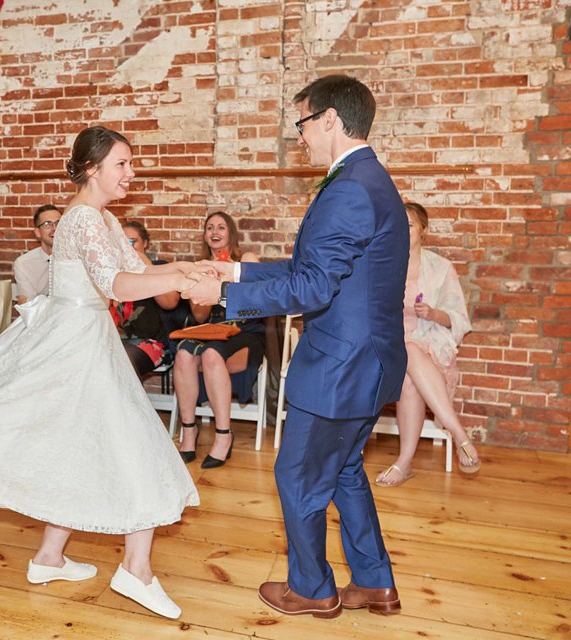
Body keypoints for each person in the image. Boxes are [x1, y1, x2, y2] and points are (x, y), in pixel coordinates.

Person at [0, 126, 202, 619]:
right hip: (75, 341)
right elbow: (118, 285)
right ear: (91, 168)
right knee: (137, 446)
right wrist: (185, 276)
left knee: (76, 443)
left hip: (87, 337)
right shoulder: (81, 219)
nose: (131, 172)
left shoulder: (103, 217)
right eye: (122, 164)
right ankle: (135, 571)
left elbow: (145, 279)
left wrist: (187, 272)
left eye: (130, 163)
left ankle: (48, 558)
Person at [186, 75, 408, 618]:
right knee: (344, 469)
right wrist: (234, 268)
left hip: (341, 363)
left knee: (299, 475)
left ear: (330, 118)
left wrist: (224, 293)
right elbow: (313, 268)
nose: (300, 136)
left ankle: (312, 588)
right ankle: (375, 582)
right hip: (367, 360)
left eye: (302, 123)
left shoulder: (351, 188)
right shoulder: (366, 180)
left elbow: (312, 287)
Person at [375, 202, 478, 485]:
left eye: (408, 225)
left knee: (410, 374)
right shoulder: (381, 263)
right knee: (406, 352)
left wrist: (433, 313)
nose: (401, 230)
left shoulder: (441, 268)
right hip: (386, 344)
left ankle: (404, 463)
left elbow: (458, 318)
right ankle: (460, 435)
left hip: (428, 343)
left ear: (424, 230)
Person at [173, 211, 267, 469]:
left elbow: (261, 300)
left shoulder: (245, 260)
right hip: (212, 331)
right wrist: (203, 282)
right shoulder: (200, 266)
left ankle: (224, 435)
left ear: (230, 234)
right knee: (183, 353)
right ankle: (189, 430)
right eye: (210, 227)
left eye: (221, 227)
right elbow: (200, 316)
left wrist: (226, 283)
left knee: (212, 353)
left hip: (245, 332)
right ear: (205, 235)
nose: (214, 231)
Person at [112, 220, 181, 377]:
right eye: (121, 242)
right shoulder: (112, 273)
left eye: (132, 242)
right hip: (114, 339)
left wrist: (146, 267)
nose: (127, 247)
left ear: (145, 243)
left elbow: (170, 303)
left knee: (121, 361)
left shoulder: (159, 267)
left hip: (151, 342)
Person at [13, 204, 62, 304]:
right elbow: (29, 305)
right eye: (48, 224)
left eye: (59, 223)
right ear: (38, 232)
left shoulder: (77, 259)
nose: (55, 228)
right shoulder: (24, 264)